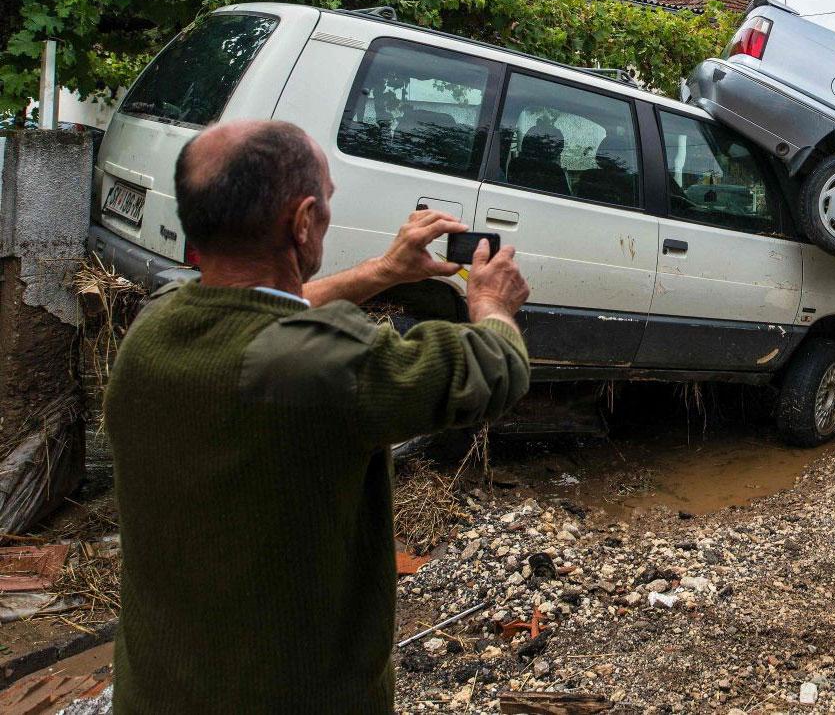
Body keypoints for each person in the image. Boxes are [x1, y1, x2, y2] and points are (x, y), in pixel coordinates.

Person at [104, 119, 531, 714]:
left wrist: (383, 272)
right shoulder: (319, 361)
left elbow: (262, 302)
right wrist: (491, 302)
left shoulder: (156, 323)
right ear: (303, 222)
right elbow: (491, 370)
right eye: (326, 202)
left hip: (158, 689)